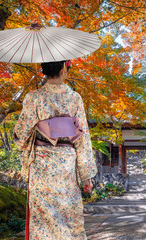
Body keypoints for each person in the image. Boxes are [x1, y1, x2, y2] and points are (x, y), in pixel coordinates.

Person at [13, 60, 97, 239]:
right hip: (67, 164)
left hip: (42, 165)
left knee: (44, 218)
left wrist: (38, 130)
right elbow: (82, 138)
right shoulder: (74, 98)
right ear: (62, 68)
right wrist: (86, 176)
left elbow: (20, 135)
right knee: (68, 216)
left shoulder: (33, 97)